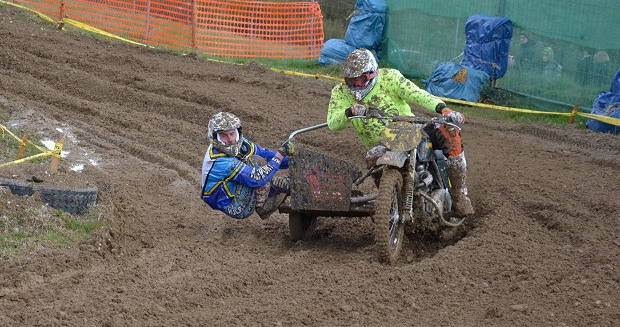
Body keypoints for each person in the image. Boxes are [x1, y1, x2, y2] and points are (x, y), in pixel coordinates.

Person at [326, 48, 474, 217]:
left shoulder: (390, 78)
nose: (355, 84)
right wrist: (349, 112)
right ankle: (389, 202)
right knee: (372, 156)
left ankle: (459, 195)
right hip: (381, 144)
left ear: (371, 74)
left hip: (410, 128)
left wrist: (443, 109)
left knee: (451, 132)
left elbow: (417, 94)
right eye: (350, 80)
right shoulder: (340, 92)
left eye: (359, 79)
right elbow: (332, 123)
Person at [201, 111, 293, 220]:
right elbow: (257, 178)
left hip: (234, 189)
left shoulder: (241, 143)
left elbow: (265, 155)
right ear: (215, 137)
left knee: (258, 160)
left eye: (232, 133)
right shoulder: (218, 160)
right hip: (231, 206)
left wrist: (293, 162)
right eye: (224, 135)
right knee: (255, 165)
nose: (230, 139)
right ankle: (263, 205)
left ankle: (280, 189)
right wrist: (280, 155)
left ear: (238, 132)